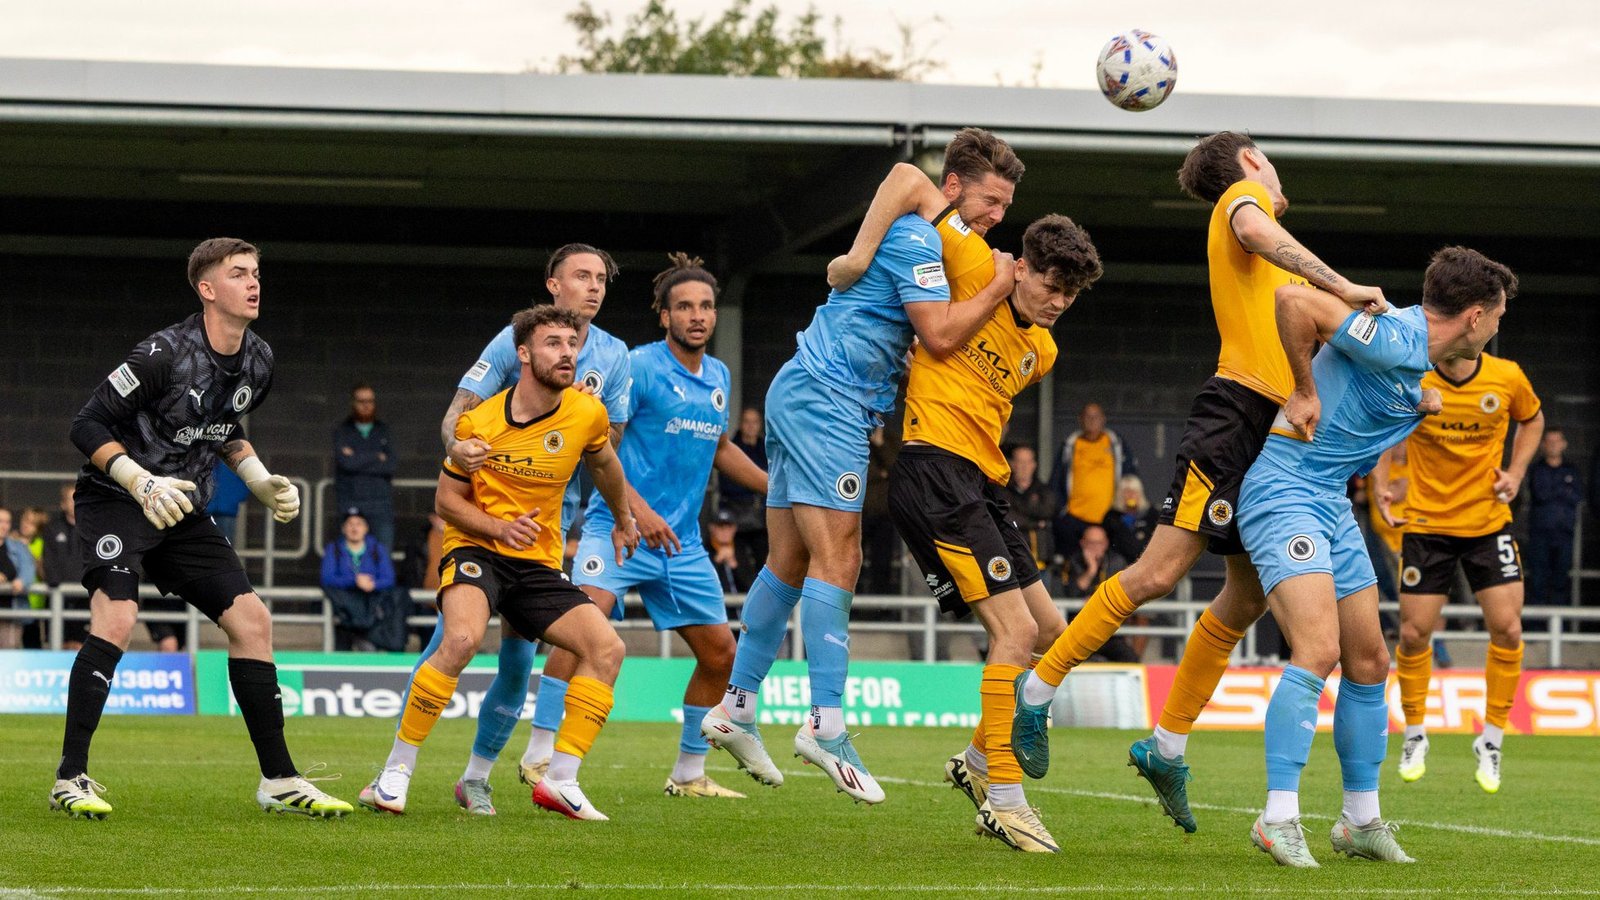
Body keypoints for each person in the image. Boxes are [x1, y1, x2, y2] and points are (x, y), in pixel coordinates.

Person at [1014, 131, 1388, 833]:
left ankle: (1166, 747)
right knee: (1158, 572)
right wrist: (1341, 284)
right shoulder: (1240, 203)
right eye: (1269, 157)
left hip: (1276, 441)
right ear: (1248, 161)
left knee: (1243, 599)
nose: (1275, 170)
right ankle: (1036, 692)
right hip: (1235, 416)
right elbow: (1253, 225)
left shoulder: (1285, 274)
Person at [699, 127, 1023, 803]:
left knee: (788, 563)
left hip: (805, 389)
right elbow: (937, 332)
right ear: (955, 187)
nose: (997, 218)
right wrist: (997, 286)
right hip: (830, 403)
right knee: (839, 557)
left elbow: (906, 186)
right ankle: (826, 723)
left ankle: (734, 707)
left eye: (1005, 206)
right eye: (990, 201)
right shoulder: (920, 238)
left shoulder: (918, 230)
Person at [51, 237, 350, 819]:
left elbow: (223, 425)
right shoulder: (162, 353)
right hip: (118, 498)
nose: (254, 282)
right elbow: (85, 424)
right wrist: (139, 480)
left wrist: (258, 477)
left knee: (252, 621)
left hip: (185, 507)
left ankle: (279, 781)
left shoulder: (259, 358)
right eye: (239, 273)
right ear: (208, 289)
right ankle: (71, 777)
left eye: (257, 272)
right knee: (117, 617)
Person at [1239, 247, 1510, 866]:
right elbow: (1293, 299)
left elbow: (1364, 399)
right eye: (1496, 318)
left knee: (1369, 660)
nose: (1496, 331)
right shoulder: (1396, 337)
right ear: (1473, 317)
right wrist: (1303, 391)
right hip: (1285, 489)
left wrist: (1415, 406)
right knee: (1318, 650)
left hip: (1328, 501)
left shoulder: (1413, 365)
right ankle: (1277, 816)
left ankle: (1359, 821)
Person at [358, 305, 640, 821]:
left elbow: (604, 463)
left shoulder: (586, 413)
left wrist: (623, 518)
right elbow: (446, 503)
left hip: (536, 562)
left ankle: (560, 779)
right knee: (462, 639)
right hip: (477, 548)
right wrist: (498, 528)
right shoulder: (479, 422)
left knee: (608, 648)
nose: (567, 353)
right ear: (525, 355)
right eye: (553, 343)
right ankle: (394, 773)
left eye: (572, 344)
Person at [880, 212, 1101, 850]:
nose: (1058, 303)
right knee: (1016, 631)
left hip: (983, 486)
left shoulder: (1044, 351)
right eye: (1050, 286)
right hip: (934, 471)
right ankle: (1003, 800)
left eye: (1071, 294)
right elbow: (913, 194)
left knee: (1051, 633)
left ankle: (978, 760)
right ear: (1021, 267)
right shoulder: (976, 265)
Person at [540, 254, 769, 803]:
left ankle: (689, 773)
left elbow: (719, 448)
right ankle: (541, 752)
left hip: (682, 544)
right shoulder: (638, 367)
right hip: (618, 527)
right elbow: (604, 448)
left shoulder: (718, 376)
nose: (698, 316)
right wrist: (633, 510)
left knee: (721, 657)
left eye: (707, 307)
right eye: (685, 307)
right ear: (664, 316)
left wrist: (775, 487)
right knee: (582, 625)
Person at [1382, 343, 1543, 793]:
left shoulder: (1507, 375)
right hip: (1427, 524)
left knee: (1508, 629)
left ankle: (1491, 740)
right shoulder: (1415, 377)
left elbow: (1532, 419)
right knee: (1413, 634)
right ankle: (1414, 734)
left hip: (1488, 523)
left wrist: (1516, 471)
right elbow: (1386, 430)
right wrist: (1380, 487)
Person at [1053, 403, 1130, 550]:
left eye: (1096, 416)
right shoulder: (1070, 445)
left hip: (1109, 517)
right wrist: (1060, 512)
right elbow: (1056, 480)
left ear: (1103, 419)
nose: (1092, 420)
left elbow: (1130, 476)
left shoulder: (1115, 443)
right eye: (1088, 416)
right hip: (1075, 517)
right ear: (1080, 419)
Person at [320, 509, 399, 651]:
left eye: (359, 524)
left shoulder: (377, 548)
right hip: (345, 611)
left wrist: (372, 584)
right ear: (343, 529)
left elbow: (389, 578)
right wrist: (354, 581)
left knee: (371, 650)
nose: (354, 528)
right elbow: (327, 578)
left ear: (366, 528)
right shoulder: (334, 549)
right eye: (350, 524)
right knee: (342, 652)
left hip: (371, 608)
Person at [333, 383, 397, 553]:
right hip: (351, 504)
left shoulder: (384, 430)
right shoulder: (342, 431)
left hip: (380, 506)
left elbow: (390, 465)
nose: (366, 405)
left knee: (382, 556)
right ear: (353, 403)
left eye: (370, 401)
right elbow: (345, 463)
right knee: (349, 559)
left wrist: (356, 457)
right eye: (361, 401)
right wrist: (376, 456)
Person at [1062, 525, 1139, 663]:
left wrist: (1095, 601)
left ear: (1106, 544)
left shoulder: (1117, 562)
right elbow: (1071, 594)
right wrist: (1091, 570)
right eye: (1091, 543)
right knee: (1068, 659)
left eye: (1099, 543)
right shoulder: (1073, 561)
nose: (1095, 547)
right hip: (1080, 631)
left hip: (1109, 632)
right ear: (1083, 543)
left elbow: (1125, 594)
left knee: (1130, 659)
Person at [1525, 428, 1583, 605]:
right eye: (1549, 442)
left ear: (1564, 444)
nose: (1553, 446)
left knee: (1561, 580)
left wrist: (1555, 490)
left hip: (1564, 533)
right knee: (1537, 580)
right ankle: (1537, 630)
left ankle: (1561, 630)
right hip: (1540, 534)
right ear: (1542, 445)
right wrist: (1563, 488)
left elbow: (1577, 496)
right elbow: (1540, 494)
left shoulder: (1572, 470)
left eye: (1556, 441)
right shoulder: (1536, 469)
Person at [999, 444, 1057, 577]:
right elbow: (1009, 518)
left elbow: (1048, 511)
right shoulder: (1002, 490)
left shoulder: (1044, 490)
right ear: (1012, 464)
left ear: (1034, 465)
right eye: (1020, 462)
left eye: (1028, 462)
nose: (1024, 466)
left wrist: (1019, 510)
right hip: (1013, 562)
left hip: (1041, 563)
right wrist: (1036, 523)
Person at [43, 484, 87, 648]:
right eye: (71, 499)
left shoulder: (91, 529)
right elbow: (48, 559)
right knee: (57, 645)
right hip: (57, 597)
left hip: (83, 598)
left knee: (79, 646)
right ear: (63, 504)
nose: (75, 503)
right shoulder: (52, 528)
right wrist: (55, 585)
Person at [0, 509, 36, 650]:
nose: (4, 526)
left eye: (7, 522)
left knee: (8, 655)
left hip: (12, 612)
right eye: (0, 521)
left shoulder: (19, 547)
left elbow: (28, 568)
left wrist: (21, 581)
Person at [707, 509, 746, 593]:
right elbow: (704, 584)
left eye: (729, 527)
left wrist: (734, 565)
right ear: (712, 528)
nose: (725, 532)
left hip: (740, 604)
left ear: (734, 529)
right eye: (720, 527)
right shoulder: (704, 551)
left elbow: (749, 586)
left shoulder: (741, 550)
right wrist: (717, 562)